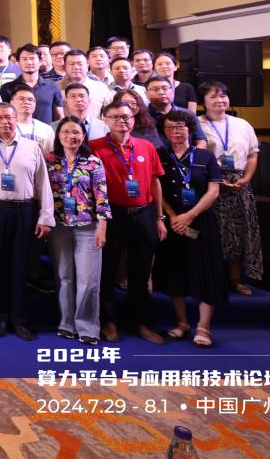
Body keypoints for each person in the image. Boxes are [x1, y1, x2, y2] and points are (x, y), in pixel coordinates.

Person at [92, 101, 167, 344]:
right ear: (105, 119)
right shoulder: (94, 148)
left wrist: (159, 217)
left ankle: (139, 322)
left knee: (141, 271)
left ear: (133, 120)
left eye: (126, 117)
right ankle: (108, 321)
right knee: (108, 270)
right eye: (115, 117)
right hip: (112, 215)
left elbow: (155, 182)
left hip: (144, 214)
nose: (121, 121)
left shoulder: (146, 147)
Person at [0, 103, 54, 340]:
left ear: (16, 119)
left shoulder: (32, 147)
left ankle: (19, 319)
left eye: (9, 117)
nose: (5, 122)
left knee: (21, 266)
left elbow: (43, 183)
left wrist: (46, 216)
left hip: (24, 210)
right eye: (0, 118)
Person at [157, 109, 227, 348]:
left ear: (189, 129)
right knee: (176, 272)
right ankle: (182, 322)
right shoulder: (160, 155)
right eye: (170, 127)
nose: (175, 131)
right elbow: (156, 189)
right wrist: (173, 216)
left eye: (180, 126)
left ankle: (204, 326)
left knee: (206, 271)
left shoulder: (205, 156)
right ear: (164, 132)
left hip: (201, 220)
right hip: (172, 222)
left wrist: (190, 215)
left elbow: (214, 191)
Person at [46, 115, 110, 344]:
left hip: (88, 226)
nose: (71, 136)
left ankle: (88, 327)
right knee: (64, 277)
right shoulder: (50, 161)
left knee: (89, 279)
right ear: (58, 136)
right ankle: (66, 323)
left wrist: (102, 227)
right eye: (66, 132)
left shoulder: (93, 162)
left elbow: (102, 196)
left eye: (76, 132)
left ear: (83, 136)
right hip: (59, 227)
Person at [198, 81, 263, 295]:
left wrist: (246, 178)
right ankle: (211, 279)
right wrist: (216, 178)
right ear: (203, 101)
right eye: (213, 96)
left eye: (223, 95)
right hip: (210, 183)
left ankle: (235, 279)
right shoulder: (198, 124)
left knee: (240, 233)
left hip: (239, 184)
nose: (220, 100)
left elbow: (252, 155)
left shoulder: (242, 124)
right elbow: (197, 157)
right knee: (212, 233)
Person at [2, 44, 64, 123]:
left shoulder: (52, 86)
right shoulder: (7, 88)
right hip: (18, 130)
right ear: (18, 62)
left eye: (32, 58)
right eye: (24, 59)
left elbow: (59, 116)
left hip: (46, 130)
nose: (29, 62)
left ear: (40, 61)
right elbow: (4, 115)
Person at [145, 76, 206, 149]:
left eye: (165, 88)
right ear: (146, 94)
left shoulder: (188, 114)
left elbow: (201, 141)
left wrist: (193, 154)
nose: (161, 92)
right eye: (155, 89)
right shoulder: (142, 116)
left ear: (172, 91)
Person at [8, 85, 55, 153]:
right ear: (12, 103)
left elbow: (51, 155)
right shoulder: (5, 128)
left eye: (30, 100)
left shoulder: (46, 129)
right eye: (21, 99)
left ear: (35, 104)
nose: (27, 102)